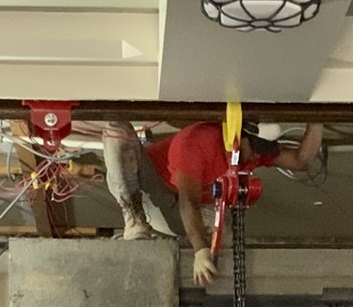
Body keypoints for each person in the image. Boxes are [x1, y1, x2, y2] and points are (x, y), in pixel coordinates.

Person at [104, 120, 325, 285]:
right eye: (253, 150)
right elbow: (187, 202)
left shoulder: (254, 152)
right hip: (150, 194)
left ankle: (186, 252)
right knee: (117, 131)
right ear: (240, 138)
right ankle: (134, 221)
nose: (255, 158)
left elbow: (300, 161)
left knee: (224, 228)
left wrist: (317, 119)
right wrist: (200, 250)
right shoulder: (197, 143)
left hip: (181, 217)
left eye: (260, 152)